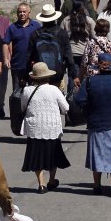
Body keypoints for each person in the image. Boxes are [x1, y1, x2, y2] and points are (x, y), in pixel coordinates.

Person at [75, 53, 111, 197]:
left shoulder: (90, 81)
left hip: (96, 122)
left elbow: (79, 99)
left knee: (97, 154)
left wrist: (89, 107)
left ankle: (97, 185)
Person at [19, 62, 71, 193]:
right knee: (53, 155)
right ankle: (52, 180)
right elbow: (66, 108)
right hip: (52, 127)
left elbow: (23, 107)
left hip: (35, 127)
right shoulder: (54, 89)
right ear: (48, 76)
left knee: (37, 155)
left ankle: (41, 183)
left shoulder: (27, 90)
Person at [28, 4, 74, 87]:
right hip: (57, 75)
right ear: (55, 18)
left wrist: (26, 76)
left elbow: (29, 56)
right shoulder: (62, 33)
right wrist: (74, 75)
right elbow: (68, 56)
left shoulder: (35, 34)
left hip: (39, 75)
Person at [3, 2, 42, 93]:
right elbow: (5, 43)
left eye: (24, 11)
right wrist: (6, 59)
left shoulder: (36, 26)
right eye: (20, 12)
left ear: (29, 12)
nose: (22, 14)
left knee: (34, 91)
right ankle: (17, 108)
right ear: (17, 13)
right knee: (17, 92)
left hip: (34, 65)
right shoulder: (12, 28)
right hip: (17, 65)